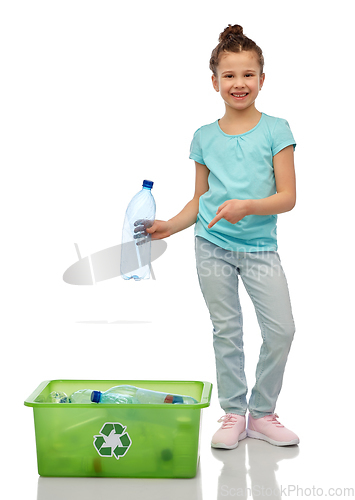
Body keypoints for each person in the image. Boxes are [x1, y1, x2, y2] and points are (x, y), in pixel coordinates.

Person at [146, 24, 299, 449]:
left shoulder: (276, 130)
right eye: (229, 75)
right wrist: (171, 226)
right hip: (211, 246)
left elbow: (287, 197)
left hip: (259, 248)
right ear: (214, 82)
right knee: (227, 330)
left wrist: (247, 205)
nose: (239, 83)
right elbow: (200, 199)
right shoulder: (204, 137)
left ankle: (263, 413)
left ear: (262, 80)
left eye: (248, 74)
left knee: (281, 330)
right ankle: (234, 413)